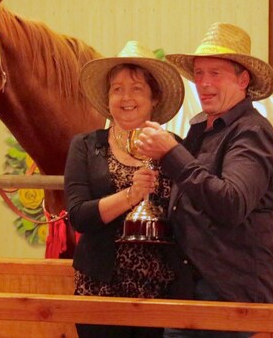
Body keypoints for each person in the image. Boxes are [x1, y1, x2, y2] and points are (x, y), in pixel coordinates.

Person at [136, 22, 273, 338]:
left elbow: (230, 203)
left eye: (215, 73)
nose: (204, 83)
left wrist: (171, 153)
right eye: (200, 74)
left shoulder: (252, 133)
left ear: (243, 79)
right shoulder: (201, 130)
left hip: (231, 297)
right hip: (190, 291)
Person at [64, 40, 186, 338]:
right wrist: (131, 195)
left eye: (136, 89)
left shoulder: (174, 147)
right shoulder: (85, 146)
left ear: (154, 98)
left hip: (163, 294)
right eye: (117, 89)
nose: (125, 97)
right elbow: (79, 216)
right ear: (107, 98)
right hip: (100, 292)